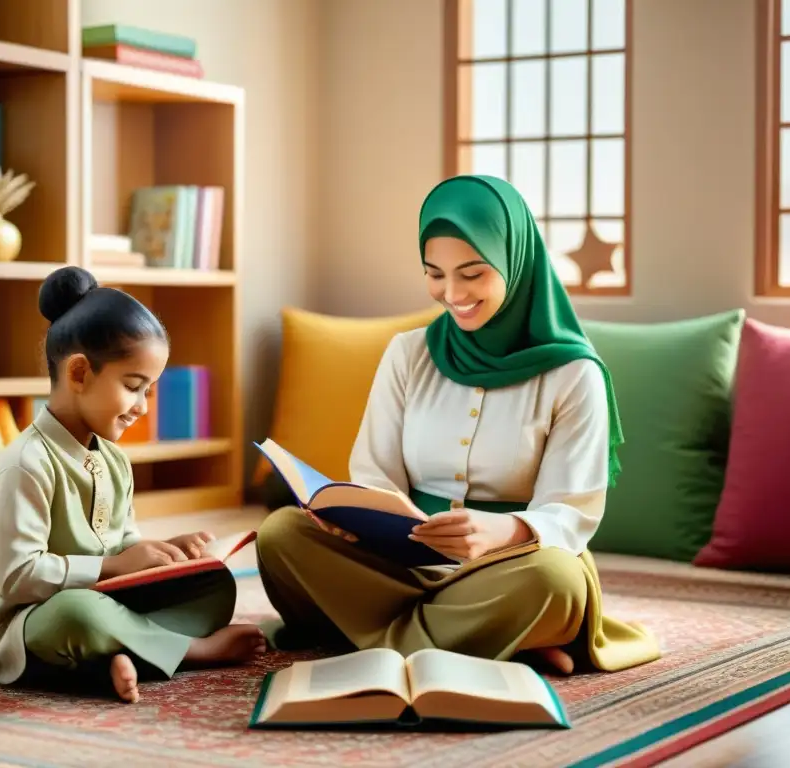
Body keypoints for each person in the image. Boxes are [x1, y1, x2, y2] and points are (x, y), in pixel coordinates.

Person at [255, 174, 660, 675]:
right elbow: (375, 472)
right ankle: (491, 641)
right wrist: (362, 520)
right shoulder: (408, 353)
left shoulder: (574, 374)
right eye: (435, 273)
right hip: (399, 564)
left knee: (556, 581)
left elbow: (571, 512)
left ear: (515, 262)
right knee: (281, 535)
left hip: (510, 568)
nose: (452, 293)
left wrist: (502, 530)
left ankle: (373, 640)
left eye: (472, 273)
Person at [0, 266, 266, 704]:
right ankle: (188, 651)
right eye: (133, 386)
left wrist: (166, 558)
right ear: (80, 373)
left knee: (212, 588)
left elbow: (122, 547)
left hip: (106, 601)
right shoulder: (24, 467)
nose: (143, 406)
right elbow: (19, 579)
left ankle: (116, 657)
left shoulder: (115, 462)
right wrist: (113, 568)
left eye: (150, 390)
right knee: (79, 613)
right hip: (31, 623)